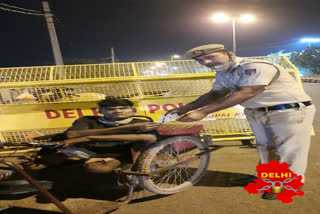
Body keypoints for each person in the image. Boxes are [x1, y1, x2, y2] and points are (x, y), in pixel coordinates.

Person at [166, 44, 316, 200]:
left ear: (229, 54)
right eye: (201, 60)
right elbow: (214, 94)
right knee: (266, 149)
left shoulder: (256, 66)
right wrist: (187, 107)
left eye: (211, 57)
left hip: (288, 111)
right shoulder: (223, 73)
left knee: (289, 150)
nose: (207, 62)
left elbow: (247, 92)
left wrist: (203, 112)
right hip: (257, 112)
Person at [31, 96, 160, 174]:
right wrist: (128, 127)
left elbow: (151, 138)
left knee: (97, 169)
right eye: (110, 109)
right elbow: (72, 134)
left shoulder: (142, 122)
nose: (117, 111)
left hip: (116, 153)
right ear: (101, 111)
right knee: (34, 167)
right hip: (82, 150)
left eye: (123, 108)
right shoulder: (88, 120)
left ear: (132, 110)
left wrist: (90, 136)